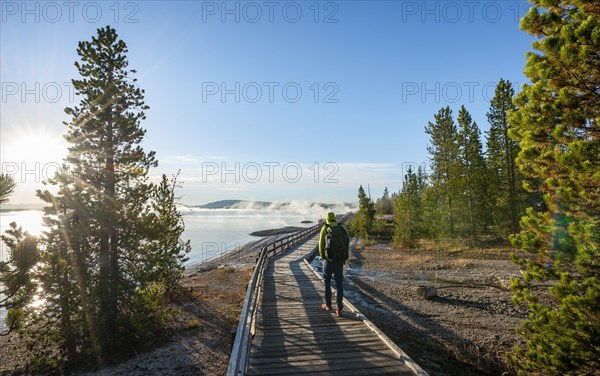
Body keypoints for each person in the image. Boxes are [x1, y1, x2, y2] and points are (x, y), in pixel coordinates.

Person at [318, 212, 350, 317]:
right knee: (339, 283)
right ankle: (339, 309)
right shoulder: (342, 227)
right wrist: (344, 254)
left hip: (329, 260)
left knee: (327, 281)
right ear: (334, 218)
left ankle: (328, 304)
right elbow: (347, 241)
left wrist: (323, 256)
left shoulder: (325, 228)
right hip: (340, 260)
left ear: (327, 219)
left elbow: (321, 244)